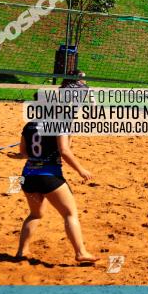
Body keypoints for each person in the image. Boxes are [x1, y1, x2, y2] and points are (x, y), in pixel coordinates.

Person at [16, 91, 97, 263]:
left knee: (35, 215)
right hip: (49, 176)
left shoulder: (29, 125)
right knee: (70, 213)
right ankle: (81, 252)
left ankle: (22, 252)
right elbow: (65, 151)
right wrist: (81, 170)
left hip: (28, 176)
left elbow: (23, 153)